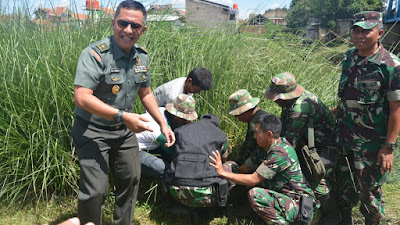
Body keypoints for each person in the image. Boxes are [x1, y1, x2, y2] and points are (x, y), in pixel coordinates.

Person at [71, 1, 175, 225]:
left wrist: (163, 124)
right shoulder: (95, 55)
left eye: (135, 26)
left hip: (123, 131)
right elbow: (82, 97)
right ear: (113, 23)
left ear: (143, 30)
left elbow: (146, 93)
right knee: (96, 189)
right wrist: (123, 116)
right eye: (123, 23)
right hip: (93, 130)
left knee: (131, 178)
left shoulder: (141, 57)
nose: (128, 30)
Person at [335, 11, 400, 225]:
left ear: (380, 32)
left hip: (371, 143)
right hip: (345, 136)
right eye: (356, 30)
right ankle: (344, 218)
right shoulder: (348, 57)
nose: (359, 35)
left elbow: (396, 110)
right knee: (344, 184)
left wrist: (389, 147)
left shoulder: (390, 65)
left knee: (370, 192)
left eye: (366, 30)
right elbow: (346, 95)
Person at [210, 114, 316, 224]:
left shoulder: (281, 153)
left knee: (255, 195)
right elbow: (243, 169)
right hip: (278, 195)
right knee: (232, 166)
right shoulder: (264, 147)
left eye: (257, 132)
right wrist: (227, 169)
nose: (254, 135)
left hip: (298, 203)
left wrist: (222, 172)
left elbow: (253, 180)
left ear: (269, 134)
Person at [264, 72, 339, 224]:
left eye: (278, 99)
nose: (276, 102)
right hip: (308, 145)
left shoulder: (299, 109)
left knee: (316, 177)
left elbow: (288, 144)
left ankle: (333, 214)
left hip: (324, 148)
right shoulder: (291, 102)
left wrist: (269, 164)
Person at [164, 113, 229, 222]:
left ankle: (177, 207)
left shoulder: (180, 131)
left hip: (177, 192)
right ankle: (218, 208)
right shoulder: (221, 135)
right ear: (216, 125)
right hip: (207, 196)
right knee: (230, 167)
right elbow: (224, 160)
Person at [138, 94, 197, 179]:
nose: (189, 121)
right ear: (176, 115)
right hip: (134, 150)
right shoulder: (161, 132)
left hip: (151, 145)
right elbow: (176, 155)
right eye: (185, 119)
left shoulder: (162, 111)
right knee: (170, 171)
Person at [227, 89, 270, 166]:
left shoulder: (255, 126)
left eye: (237, 115)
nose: (237, 118)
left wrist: (239, 167)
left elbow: (249, 150)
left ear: (245, 111)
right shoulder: (263, 114)